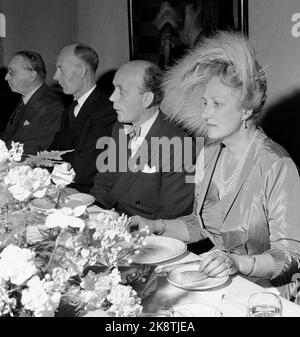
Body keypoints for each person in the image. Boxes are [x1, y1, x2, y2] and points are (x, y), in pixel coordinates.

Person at [130, 31, 300, 302]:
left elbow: (290, 255)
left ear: (245, 110)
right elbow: (201, 225)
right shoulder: (209, 154)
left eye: (217, 104)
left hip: (268, 295)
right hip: (222, 283)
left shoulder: (276, 165)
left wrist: (237, 263)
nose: (206, 113)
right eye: (205, 103)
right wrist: (157, 226)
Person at [90, 60, 195, 220]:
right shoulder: (120, 127)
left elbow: (172, 216)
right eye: (113, 88)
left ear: (147, 99)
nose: (112, 97)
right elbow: (104, 183)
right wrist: (90, 214)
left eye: (121, 91)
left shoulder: (180, 145)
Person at [50, 43, 116, 193]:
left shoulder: (105, 110)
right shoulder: (71, 107)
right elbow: (53, 151)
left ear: (81, 70)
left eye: (61, 69)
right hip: (64, 187)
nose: (55, 76)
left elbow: (84, 170)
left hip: (86, 194)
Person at [3, 51, 64, 154]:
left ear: (32, 75)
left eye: (11, 72)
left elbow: (44, 151)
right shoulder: (27, 100)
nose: (6, 77)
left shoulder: (52, 107)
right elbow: (11, 138)